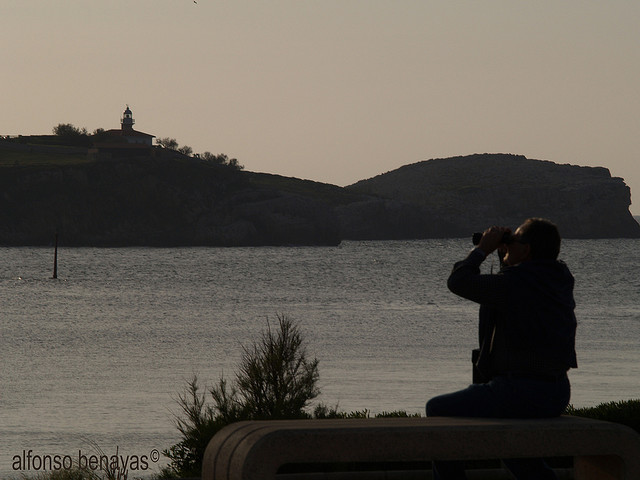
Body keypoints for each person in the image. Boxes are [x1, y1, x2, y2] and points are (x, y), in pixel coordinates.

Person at [426, 218, 578, 480]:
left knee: (437, 409)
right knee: (508, 445)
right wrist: (506, 254)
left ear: (526, 250)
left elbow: (459, 281)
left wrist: (482, 250)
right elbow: (512, 290)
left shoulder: (514, 284)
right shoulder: (559, 279)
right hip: (556, 392)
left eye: (513, 241)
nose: (508, 245)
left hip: (518, 391)